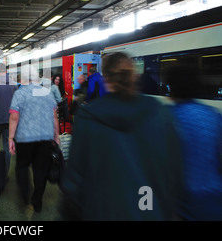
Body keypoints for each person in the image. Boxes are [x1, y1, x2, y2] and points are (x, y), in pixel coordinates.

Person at [60, 52, 183, 220]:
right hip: (149, 209)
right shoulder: (159, 112)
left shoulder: (88, 116)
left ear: (106, 78)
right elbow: (173, 169)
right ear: (135, 76)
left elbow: (74, 180)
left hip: (102, 211)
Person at [165, 64, 222, 220]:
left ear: (172, 88)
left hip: (183, 202)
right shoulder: (214, 115)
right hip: (215, 198)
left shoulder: (168, 117)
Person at [9, 65, 60, 212]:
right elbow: (54, 117)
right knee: (41, 169)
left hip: (25, 137)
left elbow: (14, 117)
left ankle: (25, 197)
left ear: (24, 78)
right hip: (45, 137)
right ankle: (37, 201)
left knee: (22, 166)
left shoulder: (20, 93)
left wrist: (11, 138)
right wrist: (56, 136)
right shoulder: (48, 93)